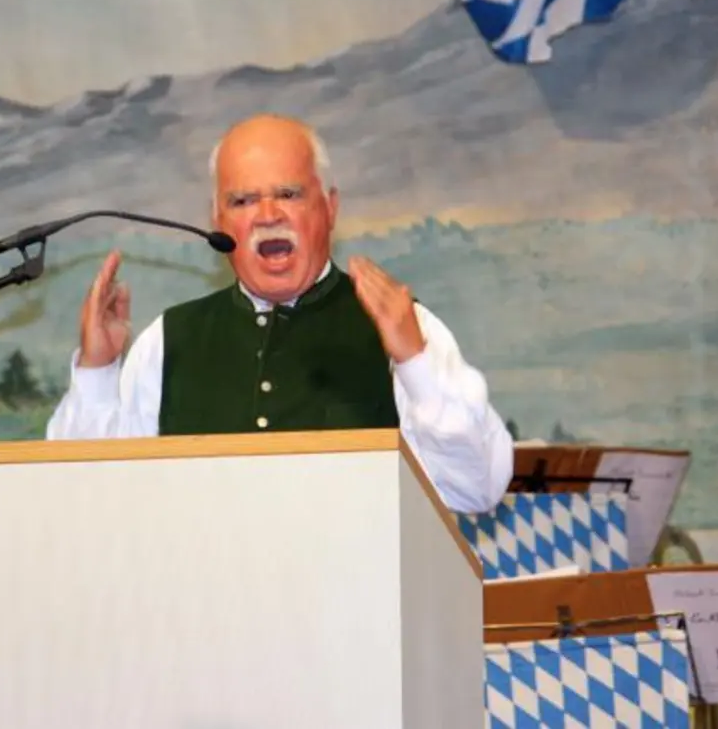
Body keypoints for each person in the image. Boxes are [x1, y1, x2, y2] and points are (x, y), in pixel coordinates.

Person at [45, 114, 512, 514]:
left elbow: (474, 490)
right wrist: (98, 372)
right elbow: (85, 504)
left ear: (329, 208)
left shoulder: (405, 328)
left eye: (288, 194)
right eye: (243, 201)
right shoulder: (169, 340)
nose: (267, 215)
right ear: (217, 221)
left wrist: (414, 362)